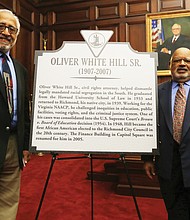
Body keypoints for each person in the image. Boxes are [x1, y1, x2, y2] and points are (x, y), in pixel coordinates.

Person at [143, 47, 190, 219]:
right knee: (174, 211)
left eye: (187, 60)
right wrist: (148, 158)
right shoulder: (155, 92)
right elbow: (148, 125)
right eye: (177, 60)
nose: (182, 64)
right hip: (168, 166)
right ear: (170, 65)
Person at [0, 9, 30, 219]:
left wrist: (25, 145)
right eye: (1, 26)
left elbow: (24, 112)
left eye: (11, 29)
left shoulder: (20, 69)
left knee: (9, 202)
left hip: (13, 145)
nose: (6, 32)